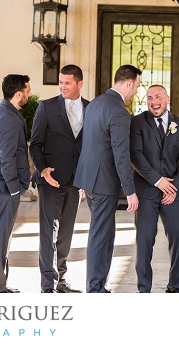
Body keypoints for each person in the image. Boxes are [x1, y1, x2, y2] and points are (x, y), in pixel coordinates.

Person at [72, 64, 141, 292]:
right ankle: (95, 288)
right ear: (129, 83)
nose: (136, 92)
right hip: (103, 184)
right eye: (137, 86)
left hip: (90, 180)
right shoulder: (119, 111)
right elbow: (121, 154)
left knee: (103, 233)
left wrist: (84, 181)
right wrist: (130, 190)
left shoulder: (95, 103)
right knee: (101, 236)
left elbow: (88, 143)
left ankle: (98, 284)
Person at [28, 64, 88, 293]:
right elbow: (35, 144)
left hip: (75, 182)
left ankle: (61, 280)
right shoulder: (46, 107)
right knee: (48, 233)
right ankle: (47, 284)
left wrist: (86, 178)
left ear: (79, 84)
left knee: (66, 233)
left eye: (68, 83)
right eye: (61, 82)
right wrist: (42, 170)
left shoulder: (89, 109)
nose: (62, 86)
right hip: (51, 180)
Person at [130, 84, 179, 293]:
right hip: (147, 191)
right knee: (145, 241)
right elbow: (136, 155)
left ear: (167, 99)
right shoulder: (137, 122)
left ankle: (176, 285)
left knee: (178, 238)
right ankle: (144, 288)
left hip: (172, 193)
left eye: (157, 97)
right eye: (149, 97)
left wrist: (174, 186)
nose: (153, 101)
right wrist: (158, 181)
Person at [0, 73, 32, 292]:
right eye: (28, 91)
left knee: (1, 237)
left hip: (0, 185)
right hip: (3, 187)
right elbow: (7, 158)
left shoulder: (2, 111)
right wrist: (14, 189)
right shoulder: (8, 119)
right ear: (18, 94)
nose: (30, 94)